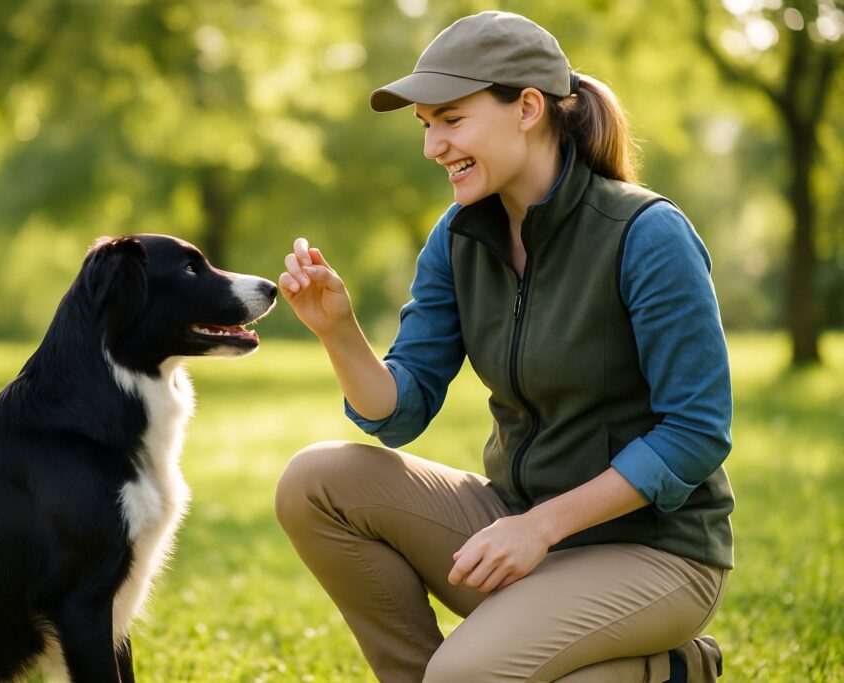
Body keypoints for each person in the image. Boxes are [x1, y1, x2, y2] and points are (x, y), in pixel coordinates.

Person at [275, 10, 732, 683]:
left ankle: (672, 668)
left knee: (466, 673)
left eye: (451, 120)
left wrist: (541, 527)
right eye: (426, 125)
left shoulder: (647, 234)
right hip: (517, 531)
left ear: (525, 108)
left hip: (654, 551)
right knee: (314, 482)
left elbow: (696, 431)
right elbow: (397, 412)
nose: (433, 146)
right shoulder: (460, 238)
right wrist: (337, 330)